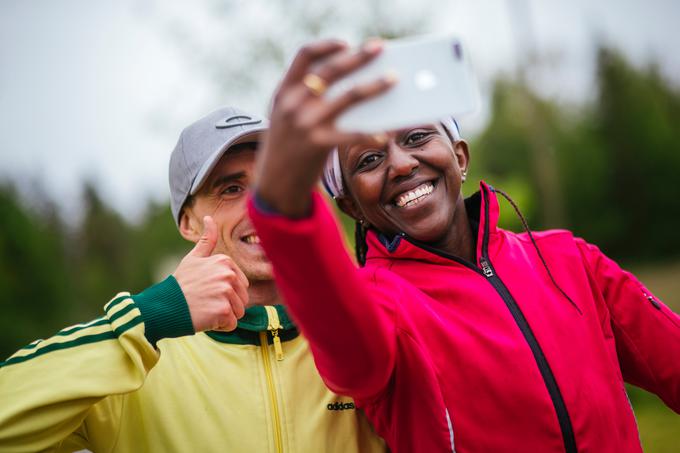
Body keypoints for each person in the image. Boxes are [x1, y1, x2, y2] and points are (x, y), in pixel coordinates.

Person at [249, 39, 680, 453]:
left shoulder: (570, 259)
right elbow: (350, 350)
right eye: (369, 160)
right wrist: (285, 206)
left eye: (416, 137)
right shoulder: (377, 304)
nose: (400, 164)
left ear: (460, 156)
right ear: (349, 204)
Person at [0, 106, 385, 453]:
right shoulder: (132, 359)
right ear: (186, 222)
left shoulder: (369, 333)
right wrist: (153, 315)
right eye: (231, 189)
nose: (260, 205)